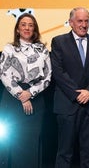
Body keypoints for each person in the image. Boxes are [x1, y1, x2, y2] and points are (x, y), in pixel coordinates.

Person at [51, 7, 89, 168]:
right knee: (64, 153)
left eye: (87, 21)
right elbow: (58, 72)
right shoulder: (58, 41)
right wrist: (77, 94)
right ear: (71, 23)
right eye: (80, 21)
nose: (84, 25)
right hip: (67, 105)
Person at [0, 13, 52, 168]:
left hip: (36, 98)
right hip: (12, 98)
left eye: (30, 25)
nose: (27, 28)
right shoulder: (9, 49)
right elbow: (3, 73)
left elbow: (48, 76)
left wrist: (30, 93)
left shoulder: (42, 49)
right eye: (23, 24)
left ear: (34, 28)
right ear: (17, 29)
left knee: (32, 141)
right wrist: (21, 95)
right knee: (12, 141)